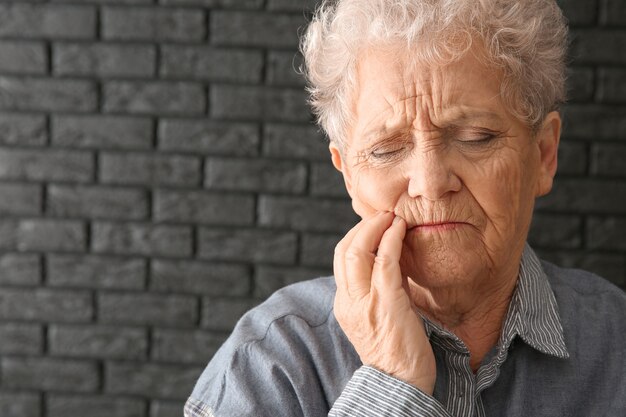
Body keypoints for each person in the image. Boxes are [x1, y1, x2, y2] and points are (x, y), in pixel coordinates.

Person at [185, 0, 626, 415]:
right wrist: (392, 384)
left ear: (544, 154)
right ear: (349, 177)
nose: (430, 184)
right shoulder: (268, 363)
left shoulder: (616, 339)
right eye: (385, 150)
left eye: (475, 138)